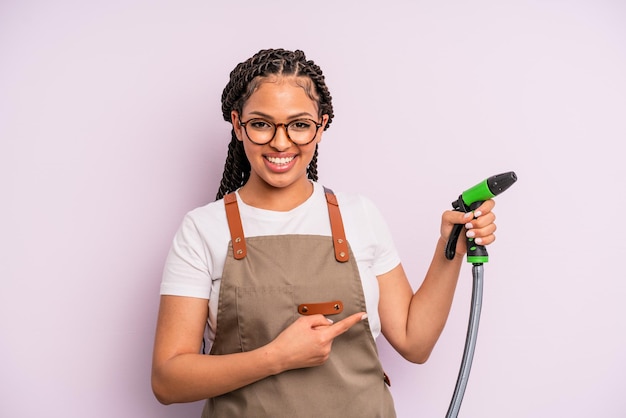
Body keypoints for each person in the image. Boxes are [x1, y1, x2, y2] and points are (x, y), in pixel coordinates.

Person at [151, 48, 497, 417]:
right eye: (261, 123)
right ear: (238, 125)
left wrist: (451, 248)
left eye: (299, 124)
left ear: (322, 124)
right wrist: (276, 357)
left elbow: (416, 342)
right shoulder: (203, 229)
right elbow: (168, 380)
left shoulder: (358, 214)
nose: (281, 143)